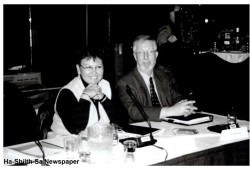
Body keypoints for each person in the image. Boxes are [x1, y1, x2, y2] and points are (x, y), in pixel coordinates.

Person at [116, 35, 197, 123]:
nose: (146, 57)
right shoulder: (125, 82)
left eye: (150, 52)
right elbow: (134, 112)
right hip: (143, 131)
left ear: (156, 55)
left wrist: (186, 105)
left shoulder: (163, 76)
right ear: (135, 56)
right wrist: (172, 111)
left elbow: (177, 97)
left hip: (169, 127)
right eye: (141, 53)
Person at [51, 48, 128, 135]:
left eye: (98, 67)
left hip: (99, 140)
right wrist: (85, 96)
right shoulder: (67, 92)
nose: (94, 72)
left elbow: (123, 120)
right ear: (78, 69)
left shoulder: (106, 85)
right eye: (88, 67)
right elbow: (76, 129)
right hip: (66, 142)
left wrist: (103, 99)